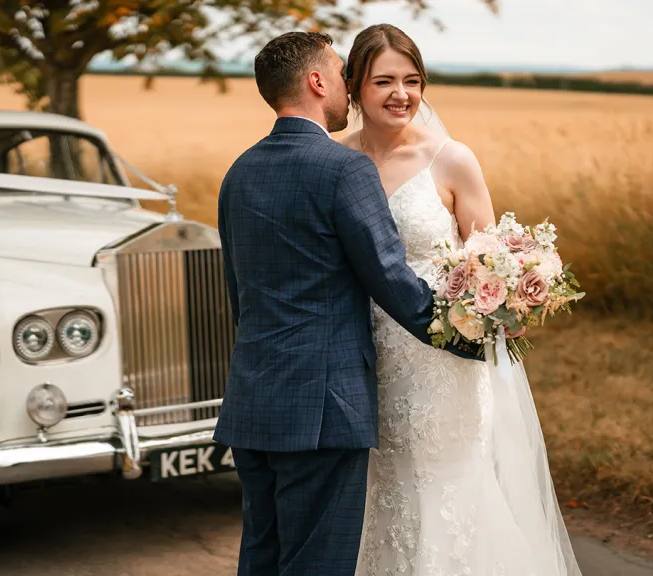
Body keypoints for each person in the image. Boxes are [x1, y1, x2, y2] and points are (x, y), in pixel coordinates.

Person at [214, 31, 479, 576]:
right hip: (323, 406)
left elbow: (240, 294)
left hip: (253, 400)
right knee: (318, 563)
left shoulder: (239, 171)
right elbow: (389, 277)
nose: (348, 86)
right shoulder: (344, 169)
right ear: (316, 82)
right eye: (341, 74)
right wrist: (468, 335)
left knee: (262, 555)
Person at [337, 24, 583, 576]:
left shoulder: (450, 160)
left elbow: (488, 257)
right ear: (353, 86)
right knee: (380, 489)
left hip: (442, 360)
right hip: (361, 355)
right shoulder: (334, 160)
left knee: (446, 486)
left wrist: (506, 301)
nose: (401, 94)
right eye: (383, 81)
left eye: (412, 80)